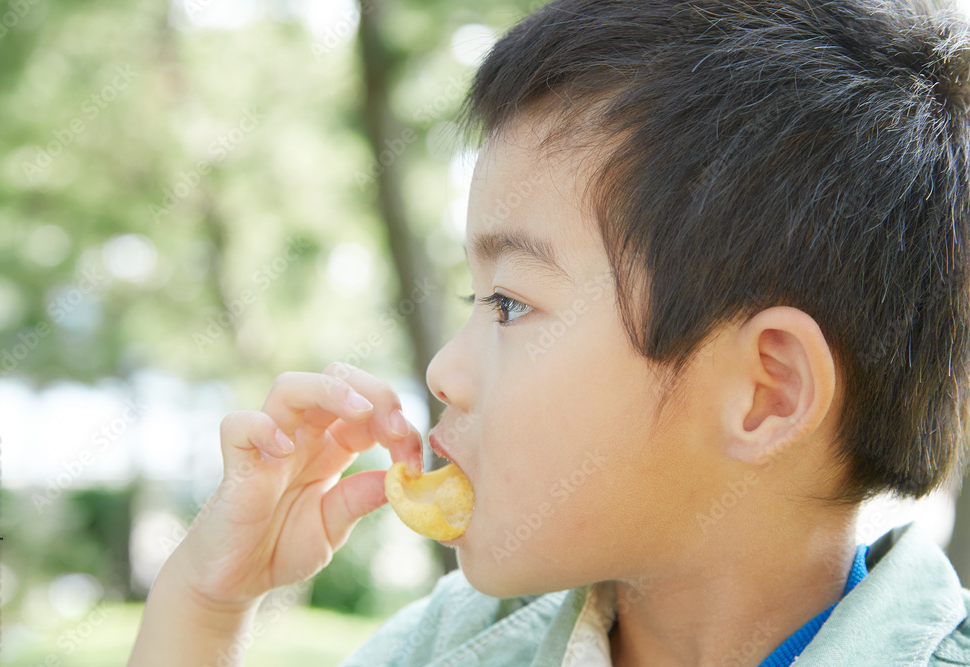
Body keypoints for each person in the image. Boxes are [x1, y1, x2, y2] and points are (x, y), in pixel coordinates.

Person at [127, 0, 970, 664]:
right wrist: (206, 605)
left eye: (509, 303)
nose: (444, 371)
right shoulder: (446, 647)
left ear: (766, 392)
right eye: (474, 297)